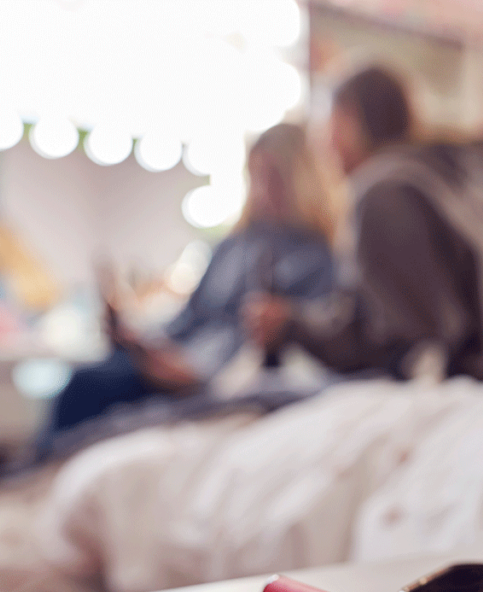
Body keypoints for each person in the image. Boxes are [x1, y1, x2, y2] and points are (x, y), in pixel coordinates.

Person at [34, 123, 338, 462]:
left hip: (221, 383)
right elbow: (188, 318)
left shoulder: (319, 260)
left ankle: (39, 473)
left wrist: (200, 374)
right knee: (92, 376)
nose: (264, 190)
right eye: (257, 177)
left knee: (89, 389)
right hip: (177, 365)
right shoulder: (232, 247)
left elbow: (286, 355)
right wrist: (140, 339)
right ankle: (35, 475)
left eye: (275, 178)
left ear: (301, 181)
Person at [246, 67, 483, 381]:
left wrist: (290, 327)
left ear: (348, 120)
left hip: (461, 386)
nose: (324, 145)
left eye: (328, 124)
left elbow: (405, 344)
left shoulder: (383, 193)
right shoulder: (444, 177)